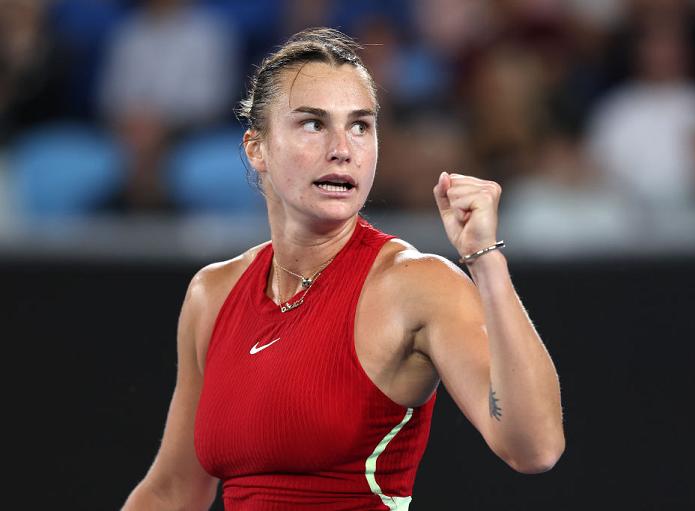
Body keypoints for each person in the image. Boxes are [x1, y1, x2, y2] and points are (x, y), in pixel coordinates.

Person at [122, 28, 564, 510]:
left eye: (360, 126)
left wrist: (486, 260)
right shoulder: (212, 293)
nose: (342, 148)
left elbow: (535, 448)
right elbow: (173, 491)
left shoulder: (417, 284)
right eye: (313, 124)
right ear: (256, 148)